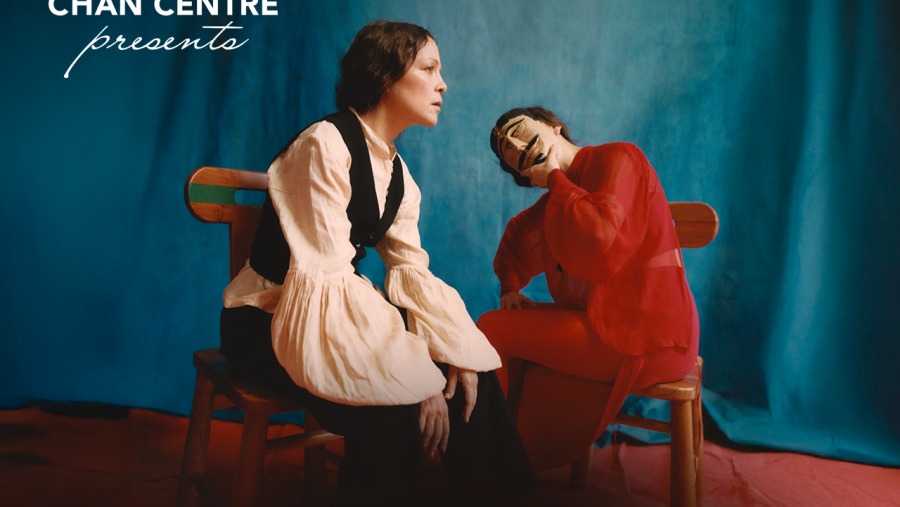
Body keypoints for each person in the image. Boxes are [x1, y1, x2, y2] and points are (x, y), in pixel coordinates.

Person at [219, 21, 537, 506]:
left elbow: (412, 273)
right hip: (266, 320)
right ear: (386, 76)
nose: (442, 84)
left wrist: (453, 351)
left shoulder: (398, 176)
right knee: (394, 401)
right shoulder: (324, 145)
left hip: (333, 314)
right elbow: (326, 276)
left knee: (467, 374)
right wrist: (415, 374)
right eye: (429, 69)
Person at [478, 107, 699, 471]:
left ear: (553, 127)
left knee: (492, 329)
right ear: (525, 175)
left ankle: (490, 467)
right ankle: (507, 456)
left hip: (652, 338)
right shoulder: (557, 198)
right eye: (509, 153)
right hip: (609, 323)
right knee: (507, 320)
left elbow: (601, 240)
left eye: (520, 132)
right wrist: (510, 288)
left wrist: (555, 179)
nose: (516, 146)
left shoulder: (621, 158)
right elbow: (519, 236)